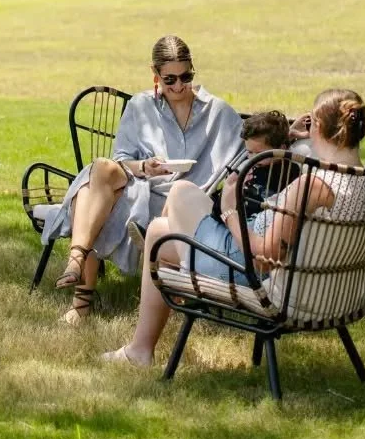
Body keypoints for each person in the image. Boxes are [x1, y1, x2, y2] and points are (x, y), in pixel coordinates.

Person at [102, 88, 365, 366]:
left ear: (317, 127)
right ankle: (140, 350)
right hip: (335, 294)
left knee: (181, 192)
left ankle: (140, 349)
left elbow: (265, 258)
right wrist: (289, 139)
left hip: (251, 272)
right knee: (159, 231)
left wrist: (230, 209)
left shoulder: (312, 186)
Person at [41, 35, 243, 325]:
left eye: (186, 76)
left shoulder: (218, 113)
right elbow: (122, 160)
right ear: (155, 75)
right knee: (100, 170)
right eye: (169, 79)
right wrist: (145, 167)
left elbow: (253, 143)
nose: (178, 86)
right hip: (141, 191)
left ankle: (80, 291)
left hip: (182, 204)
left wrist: (290, 130)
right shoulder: (140, 106)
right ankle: (78, 263)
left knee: (91, 195)